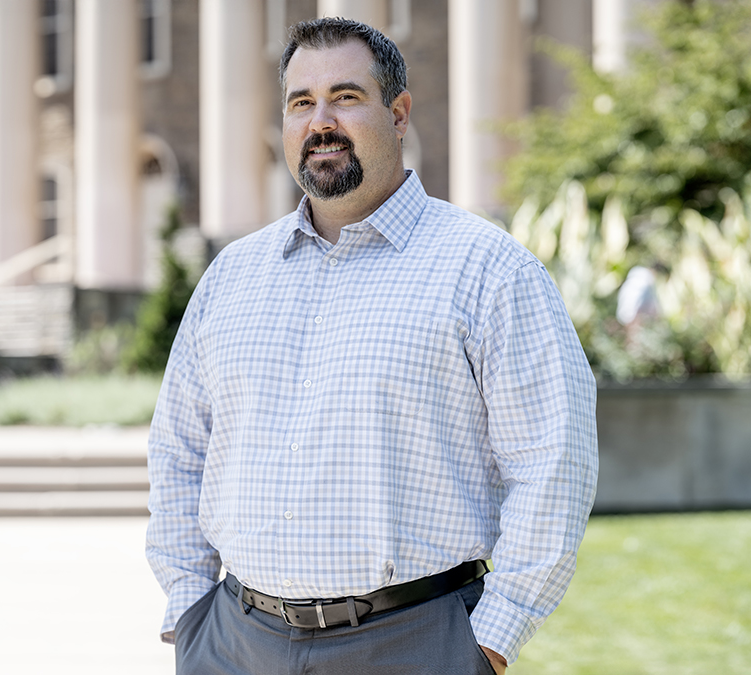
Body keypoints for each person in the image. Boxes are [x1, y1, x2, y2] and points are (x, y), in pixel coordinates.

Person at [146, 17, 598, 675]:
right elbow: (178, 449)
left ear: (399, 113)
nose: (320, 120)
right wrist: (190, 611)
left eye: (346, 97)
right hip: (234, 644)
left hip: (412, 644)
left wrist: (491, 640)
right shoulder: (232, 276)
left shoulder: (489, 270)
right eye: (301, 102)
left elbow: (553, 462)